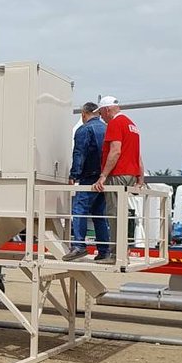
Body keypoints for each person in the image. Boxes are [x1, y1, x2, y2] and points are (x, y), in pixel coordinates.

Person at [91, 96, 145, 262]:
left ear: (107, 109)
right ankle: (123, 251)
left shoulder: (115, 123)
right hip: (130, 175)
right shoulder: (132, 125)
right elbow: (138, 156)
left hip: (118, 174)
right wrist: (140, 179)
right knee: (122, 214)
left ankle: (116, 254)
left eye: (101, 113)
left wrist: (103, 176)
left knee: (114, 214)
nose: (101, 117)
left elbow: (115, 151)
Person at [63, 102, 109, 261]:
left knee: (79, 210)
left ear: (83, 114)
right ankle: (104, 250)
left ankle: (79, 246)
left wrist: (74, 175)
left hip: (89, 177)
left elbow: (79, 153)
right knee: (99, 214)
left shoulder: (84, 130)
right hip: (104, 178)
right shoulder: (107, 128)